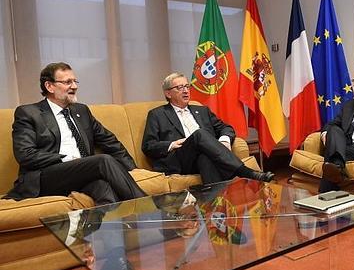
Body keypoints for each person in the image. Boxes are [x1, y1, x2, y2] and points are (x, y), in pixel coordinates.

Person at [5, 62, 147, 205]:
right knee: (102, 160)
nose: (74, 86)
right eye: (67, 82)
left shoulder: (81, 111)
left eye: (75, 81)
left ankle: (112, 226)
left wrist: (133, 169)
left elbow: (109, 141)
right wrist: (67, 159)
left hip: (81, 174)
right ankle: (148, 207)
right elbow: (25, 154)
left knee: (105, 190)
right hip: (45, 177)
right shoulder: (29, 113)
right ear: (49, 86)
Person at [142, 72, 274, 184]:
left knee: (205, 158)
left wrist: (224, 141)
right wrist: (171, 144)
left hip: (202, 157)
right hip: (180, 159)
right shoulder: (157, 114)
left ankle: (215, 206)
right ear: (168, 93)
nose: (186, 90)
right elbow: (148, 146)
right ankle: (246, 172)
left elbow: (226, 128)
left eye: (187, 86)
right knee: (199, 134)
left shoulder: (202, 110)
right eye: (180, 87)